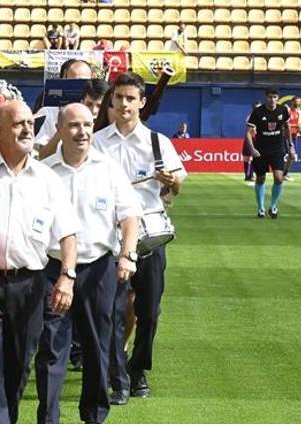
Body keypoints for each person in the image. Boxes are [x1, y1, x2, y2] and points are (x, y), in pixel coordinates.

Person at [0, 100, 79, 424]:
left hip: (32, 283)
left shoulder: (48, 178)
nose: (27, 130)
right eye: (17, 124)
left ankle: (5, 417)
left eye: (30, 124)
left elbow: (67, 233)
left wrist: (66, 276)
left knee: (20, 362)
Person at [36, 103, 141, 424]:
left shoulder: (108, 169)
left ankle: (94, 409)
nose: (82, 132)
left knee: (98, 341)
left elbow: (129, 217)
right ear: (60, 130)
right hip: (53, 268)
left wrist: (128, 255)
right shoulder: (45, 171)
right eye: (74, 126)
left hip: (98, 267)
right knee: (52, 343)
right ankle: (48, 417)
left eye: (87, 125)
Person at [93, 72, 186, 404]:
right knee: (111, 311)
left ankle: (138, 370)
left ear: (142, 103)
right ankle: (117, 377)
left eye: (130, 99)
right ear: (112, 101)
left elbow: (176, 187)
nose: (123, 105)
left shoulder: (158, 142)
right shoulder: (96, 141)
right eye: (118, 98)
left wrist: (170, 180)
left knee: (149, 312)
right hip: (108, 238)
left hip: (149, 239)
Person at [246, 87, 294, 219]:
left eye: (274, 97)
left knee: (279, 178)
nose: (272, 100)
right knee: (261, 179)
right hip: (261, 150)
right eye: (269, 97)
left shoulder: (283, 110)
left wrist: (291, 145)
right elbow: (248, 132)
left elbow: (287, 127)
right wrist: (252, 148)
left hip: (277, 149)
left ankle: (273, 206)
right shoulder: (257, 112)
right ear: (265, 97)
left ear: (278, 98)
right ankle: (261, 208)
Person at [34, 59, 93, 155]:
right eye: (73, 82)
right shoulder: (48, 113)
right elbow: (42, 155)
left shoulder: (98, 111)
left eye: (83, 82)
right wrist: (61, 130)